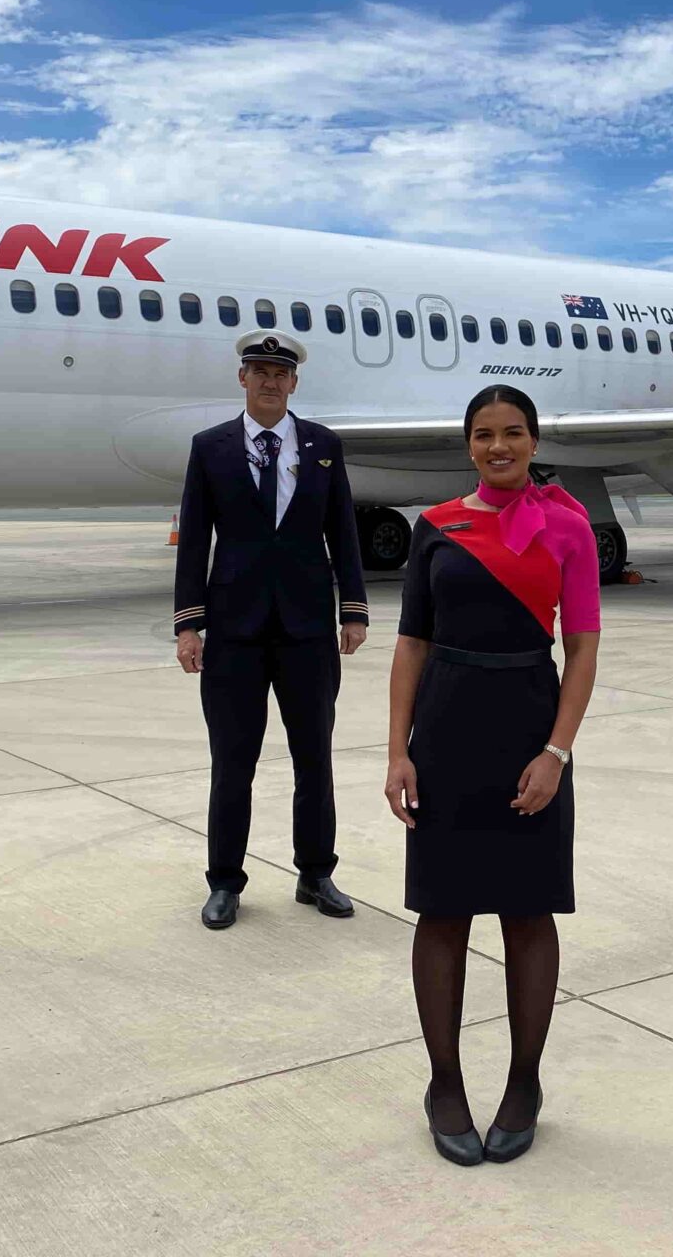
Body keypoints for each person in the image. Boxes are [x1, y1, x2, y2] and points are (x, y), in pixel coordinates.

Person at [384, 386, 601, 1167]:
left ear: (535, 441)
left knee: (526, 912)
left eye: (513, 433)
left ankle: (523, 1082)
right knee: (441, 913)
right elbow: (411, 642)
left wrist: (557, 752)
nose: (498, 446)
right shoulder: (436, 527)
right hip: (444, 732)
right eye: (483, 435)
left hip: (527, 730)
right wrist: (397, 750)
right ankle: (444, 1083)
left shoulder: (570, 528)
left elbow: (581, 649)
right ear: (467, 444)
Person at [174, 330, 368, 929]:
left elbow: (343, 531)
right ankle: (225, 882)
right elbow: (194, 540)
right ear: (242, 379)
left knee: (315, 758)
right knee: (233, 761)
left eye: (279, 373)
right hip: (234, 631)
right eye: (258, 370)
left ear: (294, 382)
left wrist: (353, 609)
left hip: (308, 628)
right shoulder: (211, 448)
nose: (268, 381)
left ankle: (316, 874)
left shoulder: (324, 446)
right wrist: (189, 625)